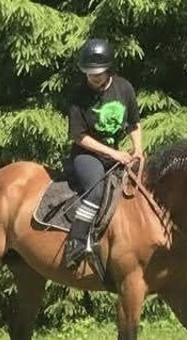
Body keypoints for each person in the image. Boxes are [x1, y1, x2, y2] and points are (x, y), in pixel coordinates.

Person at [62, 37, 144, 269]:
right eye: (89, 73)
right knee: (96, 190)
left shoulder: (124, 88)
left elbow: (134, 124)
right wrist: (114, 154)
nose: (92, 77)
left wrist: (138, 149)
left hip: (115, 154)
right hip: (86, 155)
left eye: (97, 73)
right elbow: (79, 136)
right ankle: (76, 243)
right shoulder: (78, 95)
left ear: (109, 69)